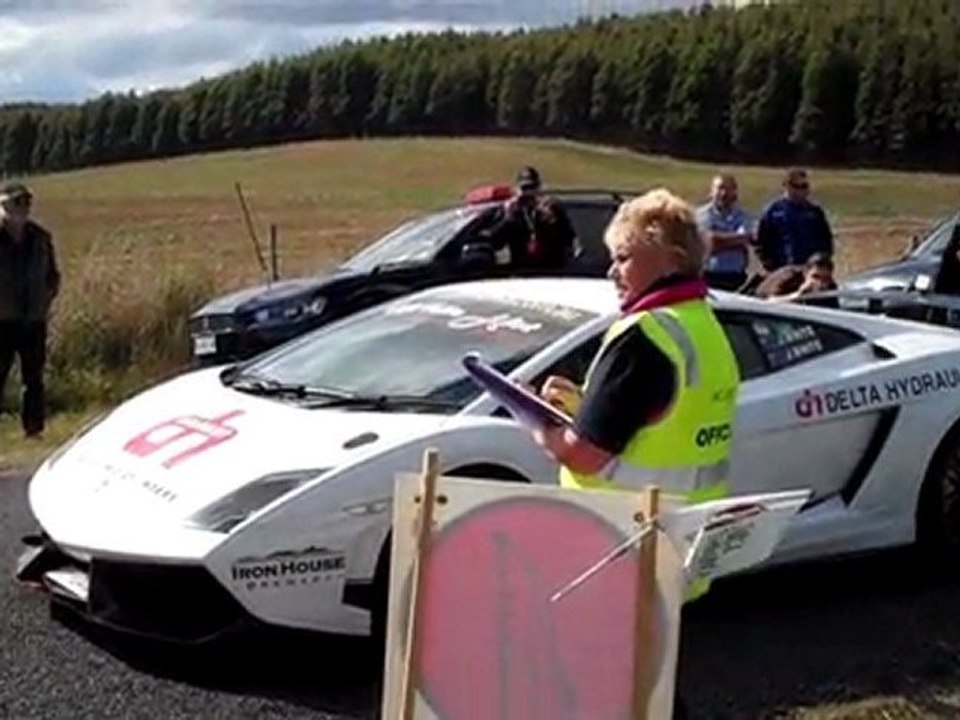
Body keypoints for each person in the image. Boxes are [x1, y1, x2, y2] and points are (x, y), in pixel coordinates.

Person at [531, 187, 741, 578]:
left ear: (669, 262)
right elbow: (662, 423)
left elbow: (583, 454)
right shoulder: (704, 327)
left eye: (623, 258)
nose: (611, 271)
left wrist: (542, 426)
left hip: (619, 550)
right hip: (679, 549)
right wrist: (586, 405)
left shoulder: (645, 335)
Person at [0, 181, 60, 439]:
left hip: (33, 319)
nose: (21, 209)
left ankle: (33, 430)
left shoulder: (40, 238)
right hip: (1, 320)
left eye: (25, 203)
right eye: (15, 203)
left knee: (33, 379)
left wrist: (44, 301)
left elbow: (52, 276)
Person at [483, 166, 578, 272]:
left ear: (539, 188)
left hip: (551, 272)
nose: (529, 193)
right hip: (522, 272)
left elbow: (569, 239)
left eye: (532, 188)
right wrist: (508, 219)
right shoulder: (513, 211)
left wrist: (552, 220)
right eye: (525, 188)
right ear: (517, 190)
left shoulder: (552, 208)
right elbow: (496, 243)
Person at [753, 167, 834, 273]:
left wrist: (821, 264)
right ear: (786, 186)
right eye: (797, 186)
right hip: (782, 269)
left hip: (810, 270)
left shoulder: (815, 212)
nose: (802, 191)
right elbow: (760, 243)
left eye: (805, 186)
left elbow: (826, 242)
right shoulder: (772, 211)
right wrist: (770, 267)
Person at [696, 173, 754, 291]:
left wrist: (719, 240)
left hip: (736, 278)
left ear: (735, 192)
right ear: (712, 191)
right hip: (709, 277)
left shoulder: (743, 216)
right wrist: (735, 241)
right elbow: (709, 242)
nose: (724, 193)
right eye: (720, 188)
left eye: (729, 189)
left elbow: (745, 237)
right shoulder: (701, 215)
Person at [754, 252, 838, 306]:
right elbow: (767, 302)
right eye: (815, 276)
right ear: (805, 273)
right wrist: (797, 295)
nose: (819, 283)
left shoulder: (830, 286)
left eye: (825, 279)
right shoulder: (789, 276)